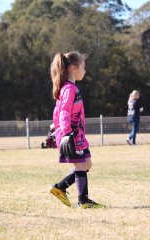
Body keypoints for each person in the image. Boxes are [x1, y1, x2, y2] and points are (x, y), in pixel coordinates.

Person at [49, 51, 104, 209]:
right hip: (71, 135)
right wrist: (65, 133)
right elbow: (63, 112)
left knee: (87, 164)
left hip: (77, 135)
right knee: (81, 166)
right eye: (83, 67)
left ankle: (60, 187)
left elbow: (57, 112)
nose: (85, 70)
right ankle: (83, 200)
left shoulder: (70, 88)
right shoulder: (69, 89)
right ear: (73, 68)